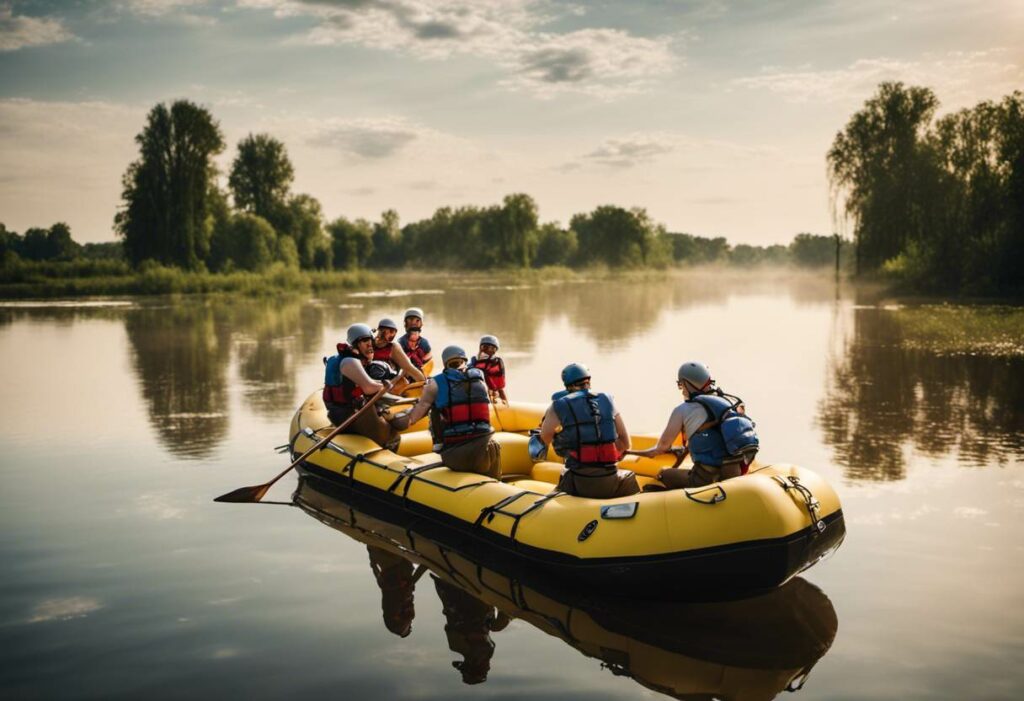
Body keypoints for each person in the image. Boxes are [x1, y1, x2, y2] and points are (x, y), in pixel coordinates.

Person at [626, 362, 759, 489]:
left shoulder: (682, 410)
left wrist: (628, 452)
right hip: (735, 473)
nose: (681, 389)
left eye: (680, 384)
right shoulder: (727, 403)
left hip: (707, 479)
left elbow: (659, 450)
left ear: (686, 384)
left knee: (664, 474)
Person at [391, 345, 501, 478]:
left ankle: (438, 445)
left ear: (445, 364)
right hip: (488, 450)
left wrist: (391, 420)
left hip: (456, 457)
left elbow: (412, 418)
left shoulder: (434, 384)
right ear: (465, 361)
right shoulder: (480, 378)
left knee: (435, 407)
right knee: (492, 445)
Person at [534, 363, 639, 499]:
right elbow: (626, 443)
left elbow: (542, 443)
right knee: (629, 479)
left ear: (567, 386)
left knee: (562, 480)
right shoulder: (607, 399)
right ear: (588, 381)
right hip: (611, 478)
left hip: (580, 481)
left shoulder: (558, 405)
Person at [322, 323, 404, 448]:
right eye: (364, 341)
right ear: (355, 344)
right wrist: (387, 386)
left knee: (388, 417)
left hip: (346, 412)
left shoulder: (352, 360)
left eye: (370, 340)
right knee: (392, 436)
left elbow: (364, 387)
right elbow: (369, 387)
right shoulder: (349, 361)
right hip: (346, 416)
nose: (369, 344)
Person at [432, 576, 510, 685]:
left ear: (475, 667)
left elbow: (471, 629)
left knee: (495, 624)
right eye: (486, 671)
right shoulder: (484, 651)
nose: (488, 667)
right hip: (479, 593)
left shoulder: (458, 645)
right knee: (498, 625)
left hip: (461, 585)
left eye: (484, 670)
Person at [366, 545, 419, 638]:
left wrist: (398, 584)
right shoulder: (404, 606)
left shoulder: (394, 616)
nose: (410, 624)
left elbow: (389, 594)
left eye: (409, 627)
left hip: (393, 566)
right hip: (400, 567)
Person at [370, 317, 425, 393]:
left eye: (393, 332)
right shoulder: (369, 342)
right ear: (380, 330)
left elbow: (410, 369)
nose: (391, 335)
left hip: (390, 383)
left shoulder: (393, 347)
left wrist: (424, 383)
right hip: (371, 381)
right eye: (390, 331)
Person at [469, 334, 507, 404]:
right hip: (478, 393)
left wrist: (504, 400)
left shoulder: (497, 363)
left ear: (496, 350)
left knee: (498, 392)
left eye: (492, 348)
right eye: (485, 347)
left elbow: (500, 387)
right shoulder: (474, 361)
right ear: (480, 348)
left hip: (493, 393)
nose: (488, 350)